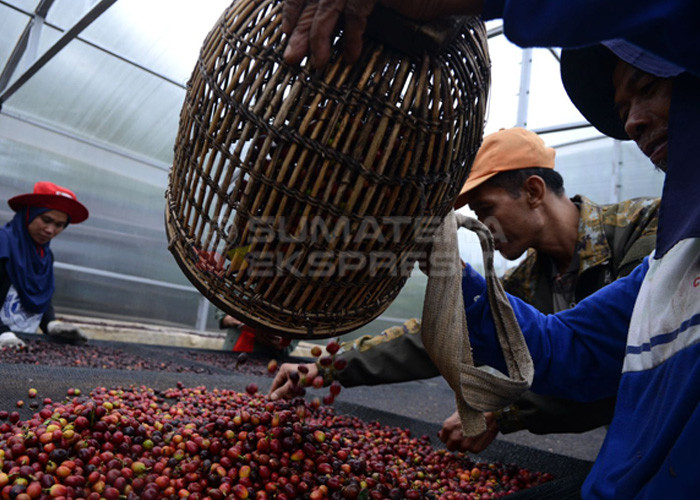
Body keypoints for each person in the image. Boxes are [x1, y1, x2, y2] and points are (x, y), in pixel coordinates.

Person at [270, 127, 660, 452]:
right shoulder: (525, 282)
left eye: (487, 209)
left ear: (534, 191)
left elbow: (619, 361)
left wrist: (501, 413)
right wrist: (324, 369)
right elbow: (442, 334)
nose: (484, 227)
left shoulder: (646, 228)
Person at [0, 181, 90, 348]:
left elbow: (38, 294)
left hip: (20, 345)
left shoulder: (45, 255)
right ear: (29, 214)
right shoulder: (3, 243)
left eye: (59, 225)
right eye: (46, 219)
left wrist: (51, 323)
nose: (50, 230)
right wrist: (2, 333)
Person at [216, 309, 298, 357]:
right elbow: (221, 310)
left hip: (266, 360)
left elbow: (288, 345)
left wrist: (280, 343)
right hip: (232, 352)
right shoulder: (246, 281)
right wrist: (230, 319)